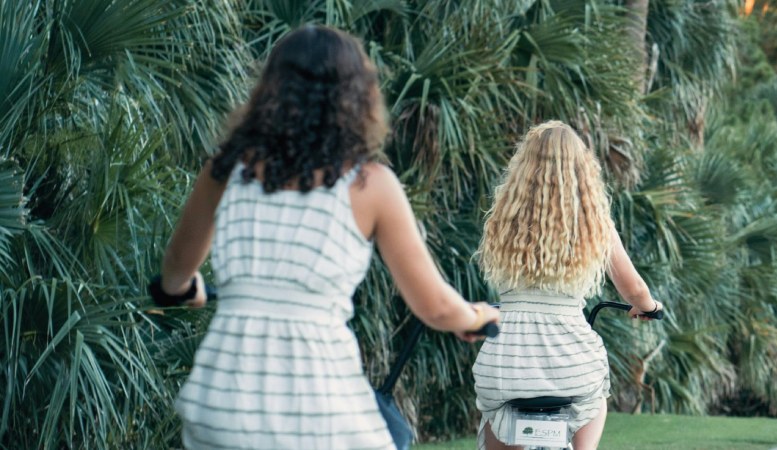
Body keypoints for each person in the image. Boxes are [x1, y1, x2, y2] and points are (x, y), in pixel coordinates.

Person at [154, 25, 500, 449]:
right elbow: (436, 307)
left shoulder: (225, 171)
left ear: (270, 92)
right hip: (316, 408)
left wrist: (183, 289)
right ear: (357, 98)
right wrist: (478, 317)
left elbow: (175, 269)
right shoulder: (368, 184)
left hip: (222, 404)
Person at [472, 121, 663, 450]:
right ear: (582, 169)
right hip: (571, 362)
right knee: (595, 393)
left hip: (507, 362)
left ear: (525, 167)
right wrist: (650, 307)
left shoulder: (503, 220)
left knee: (497, 413)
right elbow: (634, 289)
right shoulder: (595, 225)